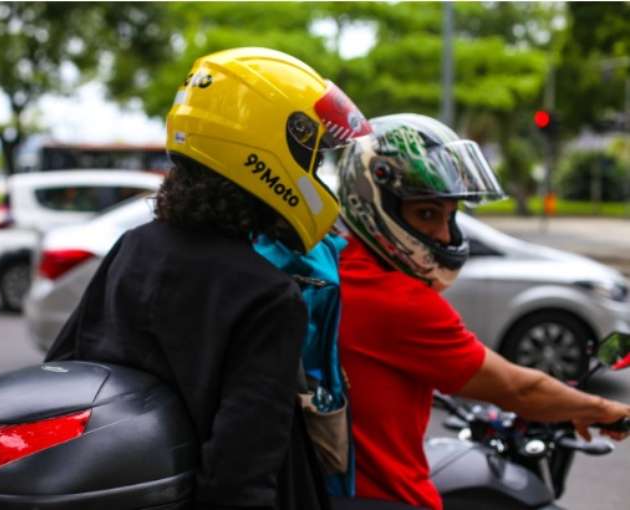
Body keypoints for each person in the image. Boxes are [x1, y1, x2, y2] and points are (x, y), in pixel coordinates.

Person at [45, 47, 371, 510]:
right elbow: (240, 474)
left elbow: (64, 370)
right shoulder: (268, 296)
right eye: (312, 161)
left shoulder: (135, 246)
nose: (314, 174)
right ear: (267, 154)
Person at [334, 114, 630, 510]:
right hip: (388, 497)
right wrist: (602, 409)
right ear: (373, 202)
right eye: (426, 214)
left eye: (450, 215)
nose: (444, 234)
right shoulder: (397, 300)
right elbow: (518, 389)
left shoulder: (334, 265)